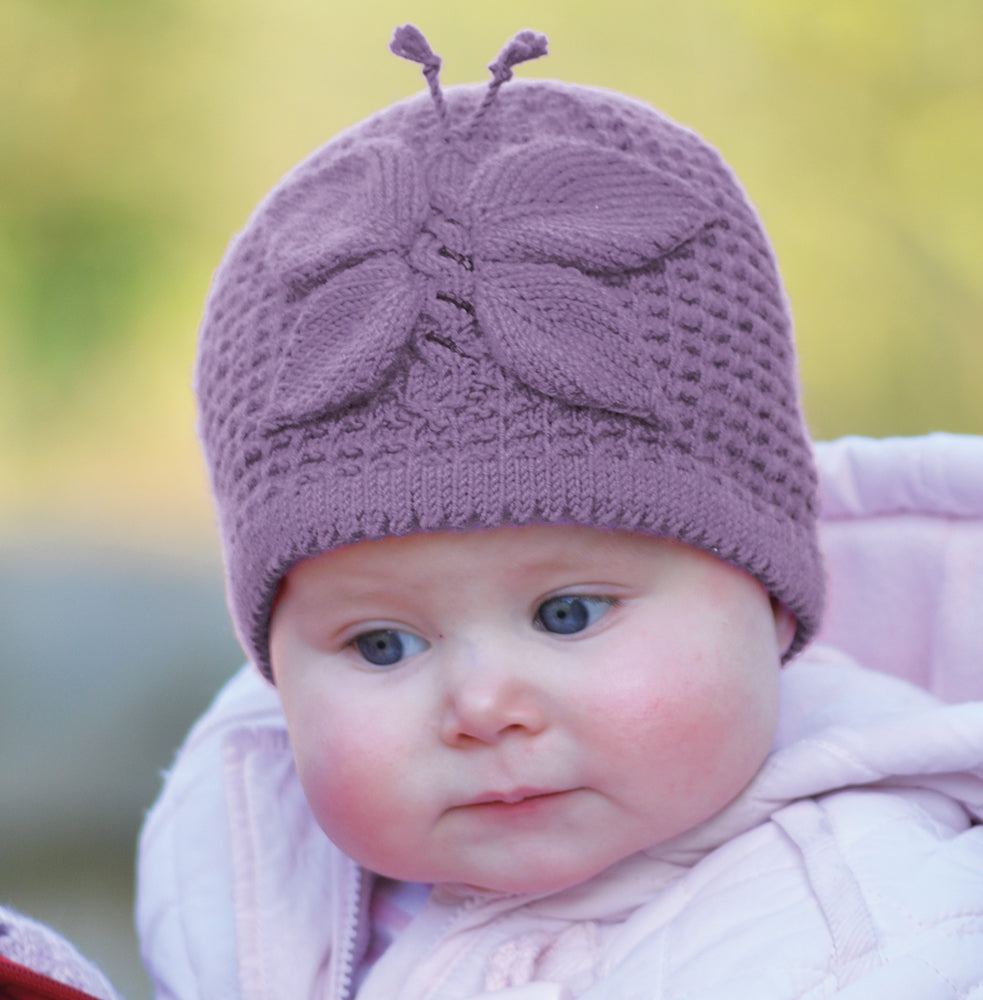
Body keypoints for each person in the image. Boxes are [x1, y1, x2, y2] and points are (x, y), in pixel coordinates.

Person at [136, 24, 983, 999]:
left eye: (566, 612)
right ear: (276, 668)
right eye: (379, 644)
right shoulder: (244, 846)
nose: (482, 707)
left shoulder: (870, 938)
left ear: (769, 595)